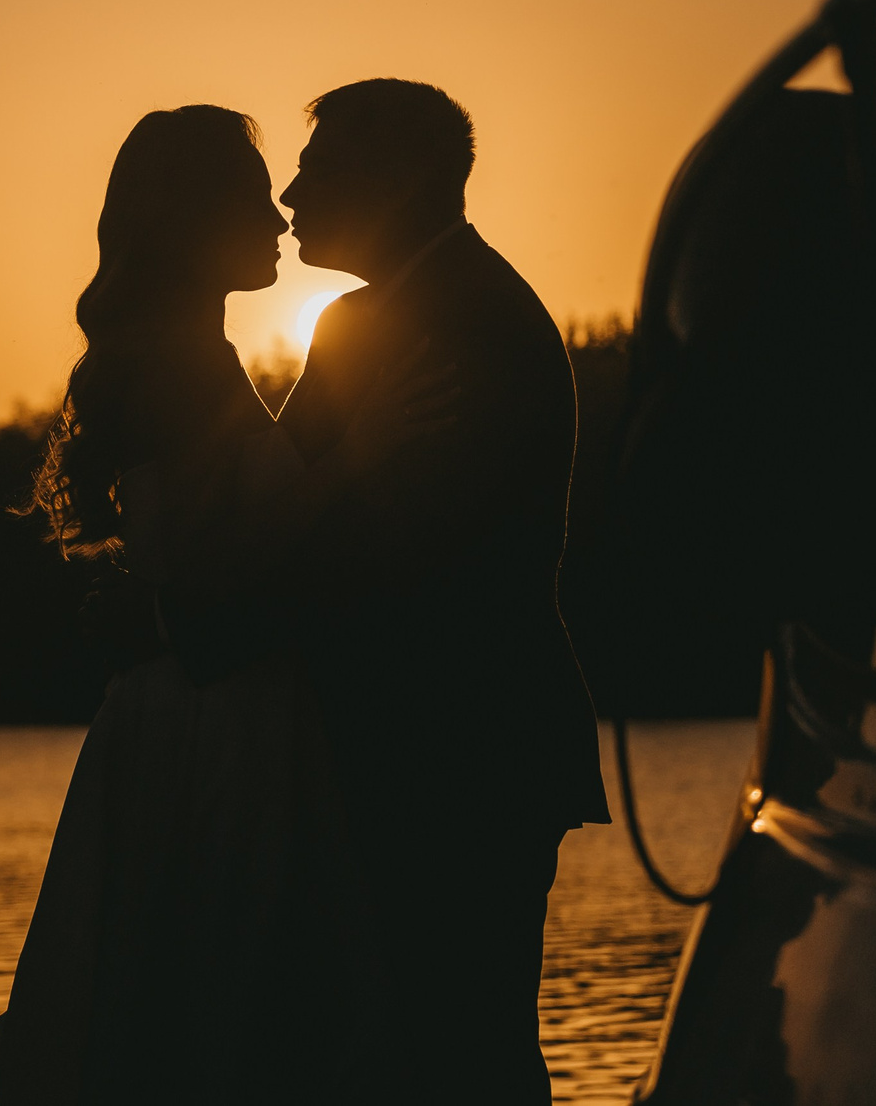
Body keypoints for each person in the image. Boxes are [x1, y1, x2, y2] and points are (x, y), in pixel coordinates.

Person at [0, 104, 445, 1106]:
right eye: (248, 195)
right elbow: (199, 560)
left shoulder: (193, 353)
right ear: (192, 219)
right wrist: (363, 456)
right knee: (214, 1008)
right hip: (209, 718)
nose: (278, 216)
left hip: (218, 701)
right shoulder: (173, 366)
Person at [266, 78, 608, 1106]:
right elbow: (285, 505)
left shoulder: (462, 323)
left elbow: (368, 551)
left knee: (457, 1049)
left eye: (318, 168)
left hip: (454, 747)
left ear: (402, 178)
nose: (289, 195)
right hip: (419, 745)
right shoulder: (383, 316)